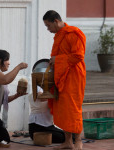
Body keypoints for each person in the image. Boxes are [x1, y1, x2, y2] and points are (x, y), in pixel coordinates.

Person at [43, 10, 86, 150]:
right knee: (63, 109)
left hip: (73, 76)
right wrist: (53, 62)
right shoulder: (59, 35)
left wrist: (58, 60)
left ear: (56, 21)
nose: (48, 29)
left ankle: (78, 140)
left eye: (48, 26)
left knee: (73, 108)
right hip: (60, 75)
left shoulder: (73, 33)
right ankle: (68, 141)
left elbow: (78, 56)